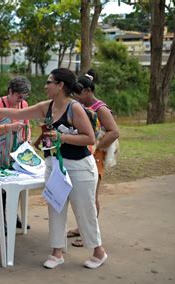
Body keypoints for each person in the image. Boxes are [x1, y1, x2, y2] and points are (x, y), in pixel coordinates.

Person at [0, 68, 108, 269]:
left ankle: (98, 251)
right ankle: (57, 252)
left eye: (49, 82)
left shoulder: (74, 108)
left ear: (60, 85)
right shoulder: (46, 106)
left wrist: (61, 137)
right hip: (54, 166)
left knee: (84, 211)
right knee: (55, 207)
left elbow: (90, 138)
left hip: (79, 168)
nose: (45, 86)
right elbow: (18, 113)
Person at [67, 69, 120, 247]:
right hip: (83, 154)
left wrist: (97, 146)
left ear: (88, 91)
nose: (77, 97)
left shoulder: (101, 109)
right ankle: (81, 227)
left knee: (90, 197)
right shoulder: (82, 107)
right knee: (80, 195)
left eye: (79, 93)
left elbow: (114, 132)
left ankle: (88, 234)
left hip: (95, 157)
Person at [0, 77, 31, 230]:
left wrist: (27, 139)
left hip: (15, 151)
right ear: (10, 92)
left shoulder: (24, 105)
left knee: (16, 184)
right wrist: (10, 127)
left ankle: (13, 216)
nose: (20, 100)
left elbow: (27, 126)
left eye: (23, 97)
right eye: (18, 96)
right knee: (1, 187)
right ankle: (3, 220)